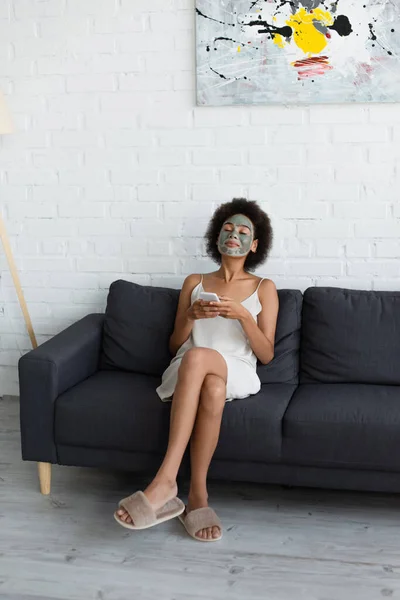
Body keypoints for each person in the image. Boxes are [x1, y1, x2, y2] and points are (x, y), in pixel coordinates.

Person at [115, 198, 279, 542]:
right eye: (228, 228)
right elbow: (176, 346)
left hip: (237, 366)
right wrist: (191, 316)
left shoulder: (264, 288)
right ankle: (197, 496)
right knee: (208, 381)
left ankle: (165, 480)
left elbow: (265, 354)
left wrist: (244, 317)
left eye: (243, 231)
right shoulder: (195, 281)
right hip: (188, 367)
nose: (234, 234)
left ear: (255, 245)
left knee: (201, 358)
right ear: (217, 237)